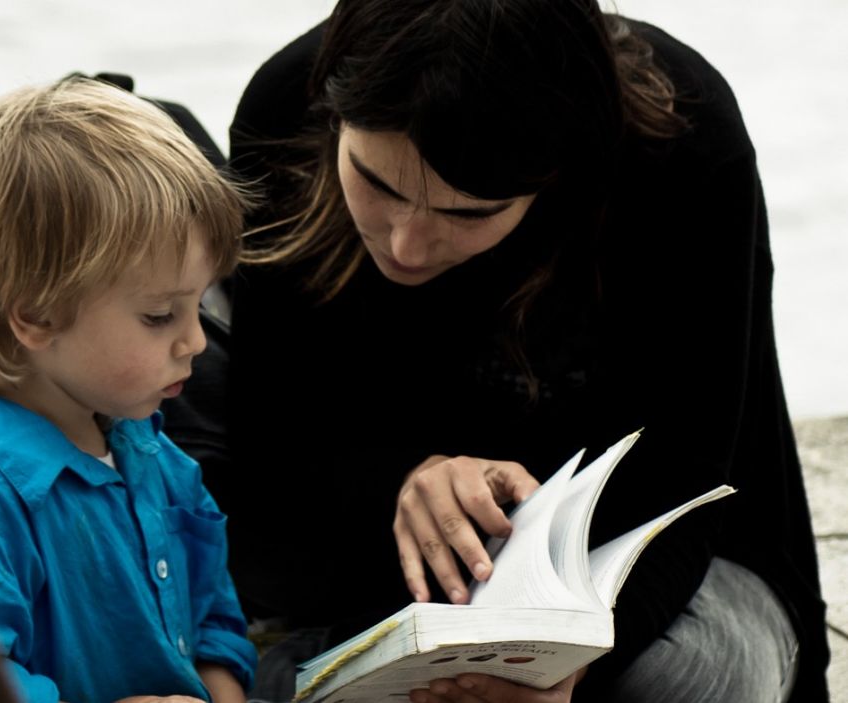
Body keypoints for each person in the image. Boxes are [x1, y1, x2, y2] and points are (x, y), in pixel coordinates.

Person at [163, 0, 830, 700]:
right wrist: (406, 481)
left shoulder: (687, 145)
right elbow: (278, 473)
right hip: (382, 583)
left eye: (468, 211)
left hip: (668, 576)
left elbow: (685, 491)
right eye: (378, 183)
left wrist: (568, 668)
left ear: (557, 177)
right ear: (334, 117)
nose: (405, 244)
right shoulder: (284, 108)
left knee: (675, 684)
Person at [0, 77, 257, 703]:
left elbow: (214, 617)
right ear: (37, 317)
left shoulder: (151, 447)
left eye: (198, 306)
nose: (196, 343)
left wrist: (220, 688)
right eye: (161, 316)